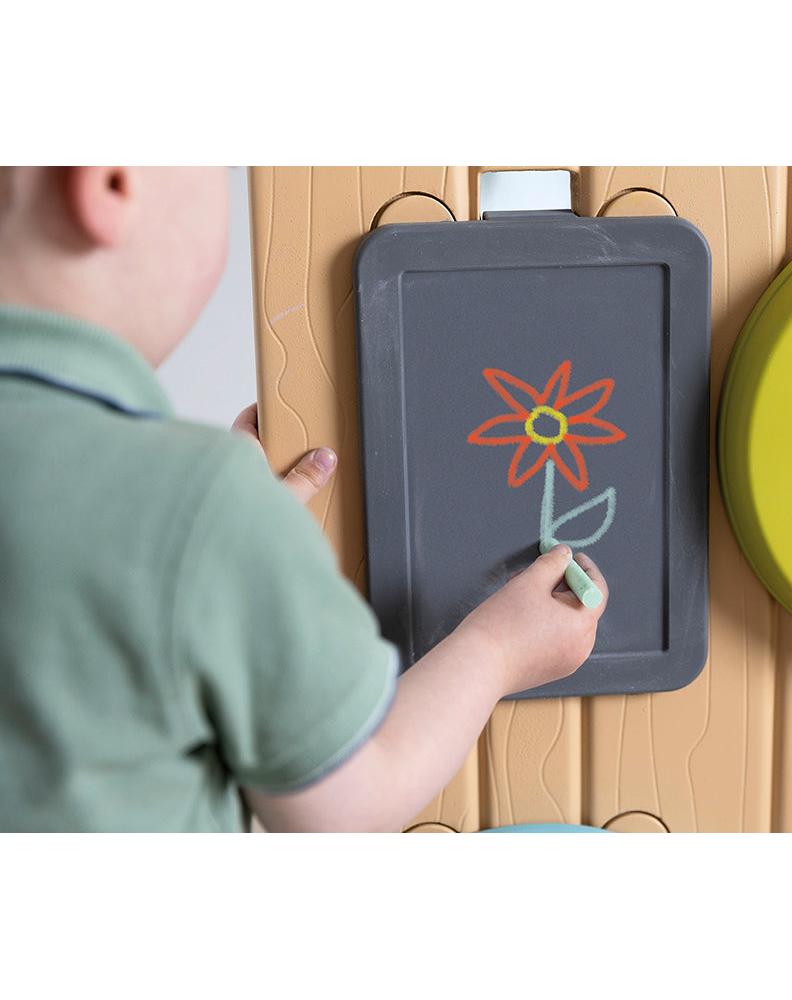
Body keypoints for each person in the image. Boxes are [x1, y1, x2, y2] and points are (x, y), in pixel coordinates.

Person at [0, 166, 608, 831]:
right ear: (110, 183)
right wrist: (498, 650)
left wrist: (230, 560)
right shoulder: (199, 500)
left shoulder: (193, 514)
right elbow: (344, 809)